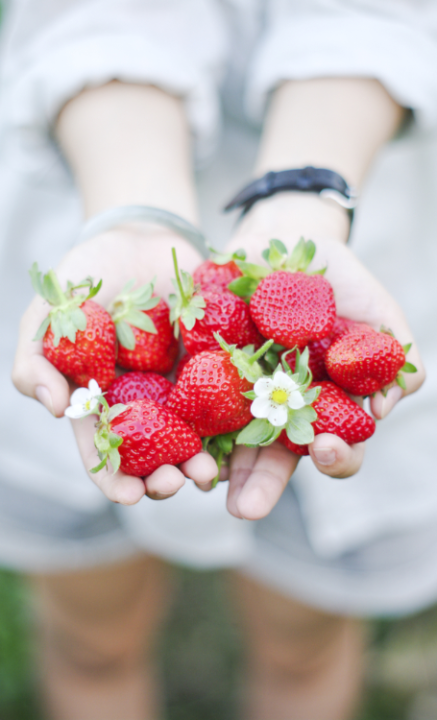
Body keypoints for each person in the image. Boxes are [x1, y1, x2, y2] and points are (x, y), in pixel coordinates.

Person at [1, 1, 435, 718]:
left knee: (304, 653)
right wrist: (135, 211)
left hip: (352, 201)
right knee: (90, 643)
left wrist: (300, 196)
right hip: (95, 180)